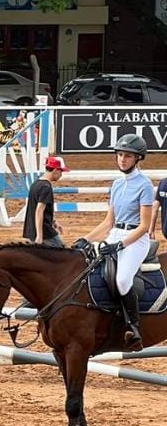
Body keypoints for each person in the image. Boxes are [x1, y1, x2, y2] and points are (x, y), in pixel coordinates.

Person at [77, 133, 155, 350]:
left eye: (128, 156)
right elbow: (108, 222)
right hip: (115, 234)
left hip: (136, 240)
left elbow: (144, 226)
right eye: (120, 155)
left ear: (138, 158)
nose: (122, 159)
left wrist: (121, 245)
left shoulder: (145, 185)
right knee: (89, 267)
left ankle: (134, 325)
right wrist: (86, 238)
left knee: (121, 280)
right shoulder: (116, 184)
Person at [23, 155, 67, 246]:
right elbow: (39, 210)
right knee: (62, 252)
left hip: (31, 230)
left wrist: (54, 221)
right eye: (61, 171)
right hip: (45, 232)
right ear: (55, 170)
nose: (61, 175)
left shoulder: (35, 184)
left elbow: (35, 207)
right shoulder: (46, 187)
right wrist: (40, 235)